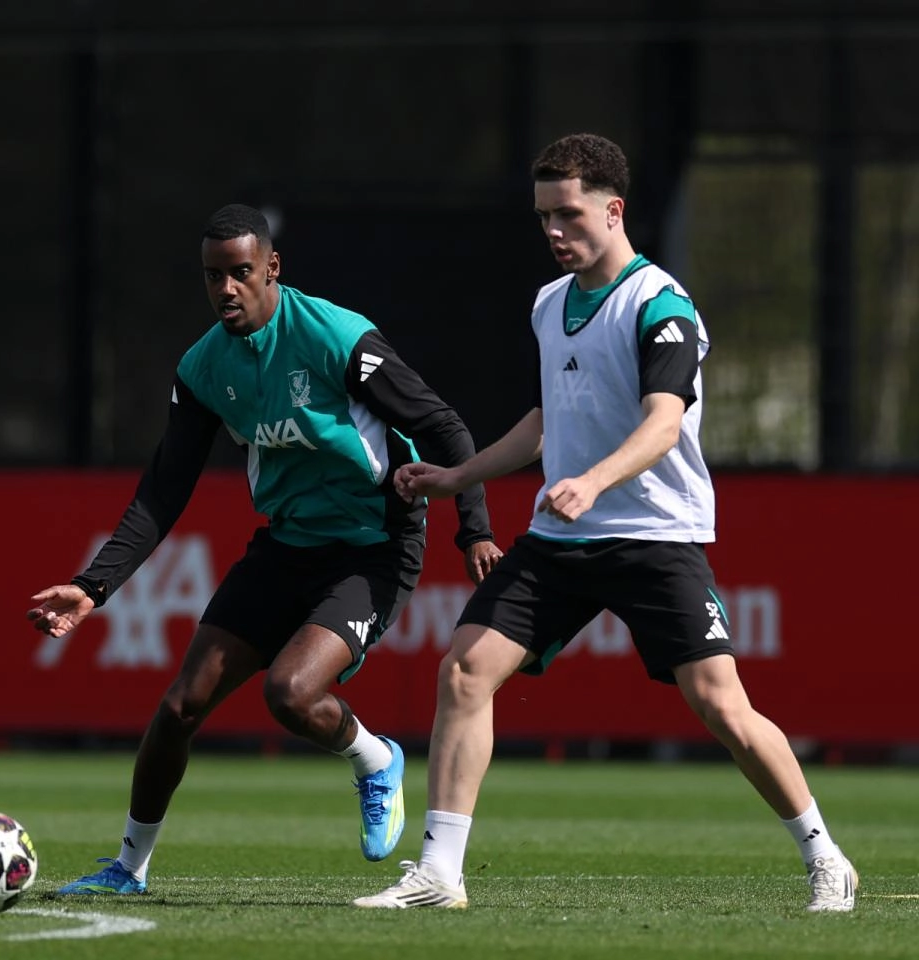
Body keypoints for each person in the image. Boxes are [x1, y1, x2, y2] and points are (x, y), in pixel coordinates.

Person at [354, 133, 857, 913]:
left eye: (569, 214)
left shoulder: (661, 305)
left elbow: (664, 422)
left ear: (614, 210)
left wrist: (591, 481)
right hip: (562, 540)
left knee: (720, 703)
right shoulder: (548, 303)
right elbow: (545, 420)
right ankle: (440, 874)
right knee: (464, 670)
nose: (554, 231)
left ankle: (826, 857)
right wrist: (457, 477)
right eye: (543, 217)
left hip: (655, 534)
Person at [26, 203, 504, 895]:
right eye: (212, 275)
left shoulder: (338, 338)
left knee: (290, 692)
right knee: (180, 707)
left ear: (272, 268)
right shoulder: (203, 367)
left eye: (241, 272)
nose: (226, 289)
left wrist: (475, 529)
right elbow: (164, 490)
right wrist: (92, 585)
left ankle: (375, 759)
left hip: (374, 548)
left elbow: (445, 427)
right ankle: (127, 868)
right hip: (285, 547)